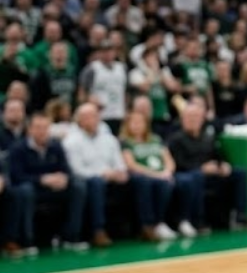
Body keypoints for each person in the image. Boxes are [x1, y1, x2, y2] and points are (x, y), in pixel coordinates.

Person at [7, 113, 90, 251]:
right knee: (25, 191)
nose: (42, 131)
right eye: (38, 127)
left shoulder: (56, 146)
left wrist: (63, 178)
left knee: (78, 186)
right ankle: (28, 241)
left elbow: (66, 169)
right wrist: (42, 179)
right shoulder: (18, 149)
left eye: (45, 127)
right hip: (32, 188)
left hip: (53, 188)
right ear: (30, 129)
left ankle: (71, 237)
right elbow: (16, 176)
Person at [168, 103, 247, 233]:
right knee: (196, 177)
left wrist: (224, 165)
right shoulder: (175, 139)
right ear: (183, 119)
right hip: (191, 175)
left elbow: (219, 155)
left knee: (240, 173)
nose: (193, 120)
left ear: (202, 119)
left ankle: (240, 216)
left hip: (212, 173)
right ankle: (198, 221)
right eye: (190, 117)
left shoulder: (208, 136)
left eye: (196, 117)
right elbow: (178, 164)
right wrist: (201, 168)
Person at [61, 103, 127, 247]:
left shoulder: (109, 138)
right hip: (88, 180)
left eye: (95, 116)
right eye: (87, 117)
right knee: (96, 183)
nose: (92, 120)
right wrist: (103, 174)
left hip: (112, 177)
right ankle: (98, 230)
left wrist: (119, 172)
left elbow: (119, 162)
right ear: (79, 120)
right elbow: (77, 170)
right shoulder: (72, 141)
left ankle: (147, 226)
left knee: (137, 180)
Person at [119, 111, 178, 241]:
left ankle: (159, 223)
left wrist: (167, 171)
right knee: (145, 182)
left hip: (159, 175)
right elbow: (131, 165)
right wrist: (157, 175)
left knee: (166, 183)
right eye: (133, 122)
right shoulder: (125, 142)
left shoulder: (156, 139)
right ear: (127, 125)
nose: (137, 125)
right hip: (139, 175)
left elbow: (168, 159)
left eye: (140, 122)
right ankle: (147, 225)